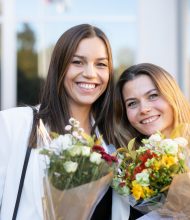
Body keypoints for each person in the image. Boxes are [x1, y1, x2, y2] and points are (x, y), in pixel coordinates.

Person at [0, 24, 115, 220]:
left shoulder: (114, 142)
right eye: (78, 62)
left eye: (101, 64)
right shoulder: (14, 124)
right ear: (59, 66)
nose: (90, 73)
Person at [113, 63, 190, 220]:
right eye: (132, 103)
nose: (144, 109)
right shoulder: (130, 176)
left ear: (173, 97)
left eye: (153, 95)